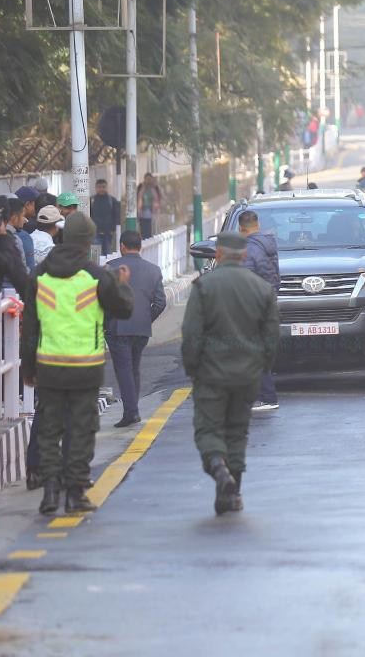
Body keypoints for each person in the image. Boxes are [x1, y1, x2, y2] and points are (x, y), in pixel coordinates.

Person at [21, 212, 134, 515]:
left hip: (49, 368)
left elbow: (30, 327)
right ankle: (75, 493)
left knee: (49, 430)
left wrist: (27, 369)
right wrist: (122, 284)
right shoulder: (98, 276)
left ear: (62, 236)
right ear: (88, 242)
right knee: (81, 431)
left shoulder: (40, 275)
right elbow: (123, 310)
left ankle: (49, 493)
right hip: (85, 368)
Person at [182, 231, 279, 515]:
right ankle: (231, 493)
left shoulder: (204, 287)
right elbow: (272, 335)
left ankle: (218, 468)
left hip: (211, 373)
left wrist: (193, 368)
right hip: (248, 375)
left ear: (218, 254)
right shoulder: (261, 288)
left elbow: (191, 334)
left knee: (208, 429)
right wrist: (262, 366)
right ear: (245, 256)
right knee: (237, 432)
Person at [106, 230, 167, 427]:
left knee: (124, 369)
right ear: (140, 246)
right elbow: (160, 303)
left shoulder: (111, 268)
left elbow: (102, 300)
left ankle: (131, 412)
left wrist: (106, 323)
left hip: (117, 327)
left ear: (122, 246)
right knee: (134, 368)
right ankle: (133, 410)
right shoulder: (154, 270)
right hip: (141, 328)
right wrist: (146, 319)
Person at [239, 211, 281, 411]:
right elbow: (275, 277)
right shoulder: (268, 245)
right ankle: (263, 395)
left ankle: (265, 396)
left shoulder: (249, 249)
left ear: (241, 229)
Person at [89, 179, 121, 255]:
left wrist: (113, 229)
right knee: (96, 255)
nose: (101, 189)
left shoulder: (112, 200)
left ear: (106, 187)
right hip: (95, 232)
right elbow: (88, 216)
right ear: (96, 188)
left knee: (108, 254)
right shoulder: (91, 200)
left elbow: (116, 216)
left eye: (103, 187)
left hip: (108, 233)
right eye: (99, 187)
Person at [5, 197, 34, 274]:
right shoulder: (15, 240)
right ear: (14, 218)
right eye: (22, 215)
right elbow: (22, 271)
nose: (24, 219)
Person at [137, 173, 162, 238]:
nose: (148, 181)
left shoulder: (155, 187)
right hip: (143, 211)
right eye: (147, 179)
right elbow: (138, 196)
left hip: (153, 211)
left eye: (149, 179)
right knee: (144, 229)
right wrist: (143, 187)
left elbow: (158, 198)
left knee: (153, 229)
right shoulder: (141, 186)